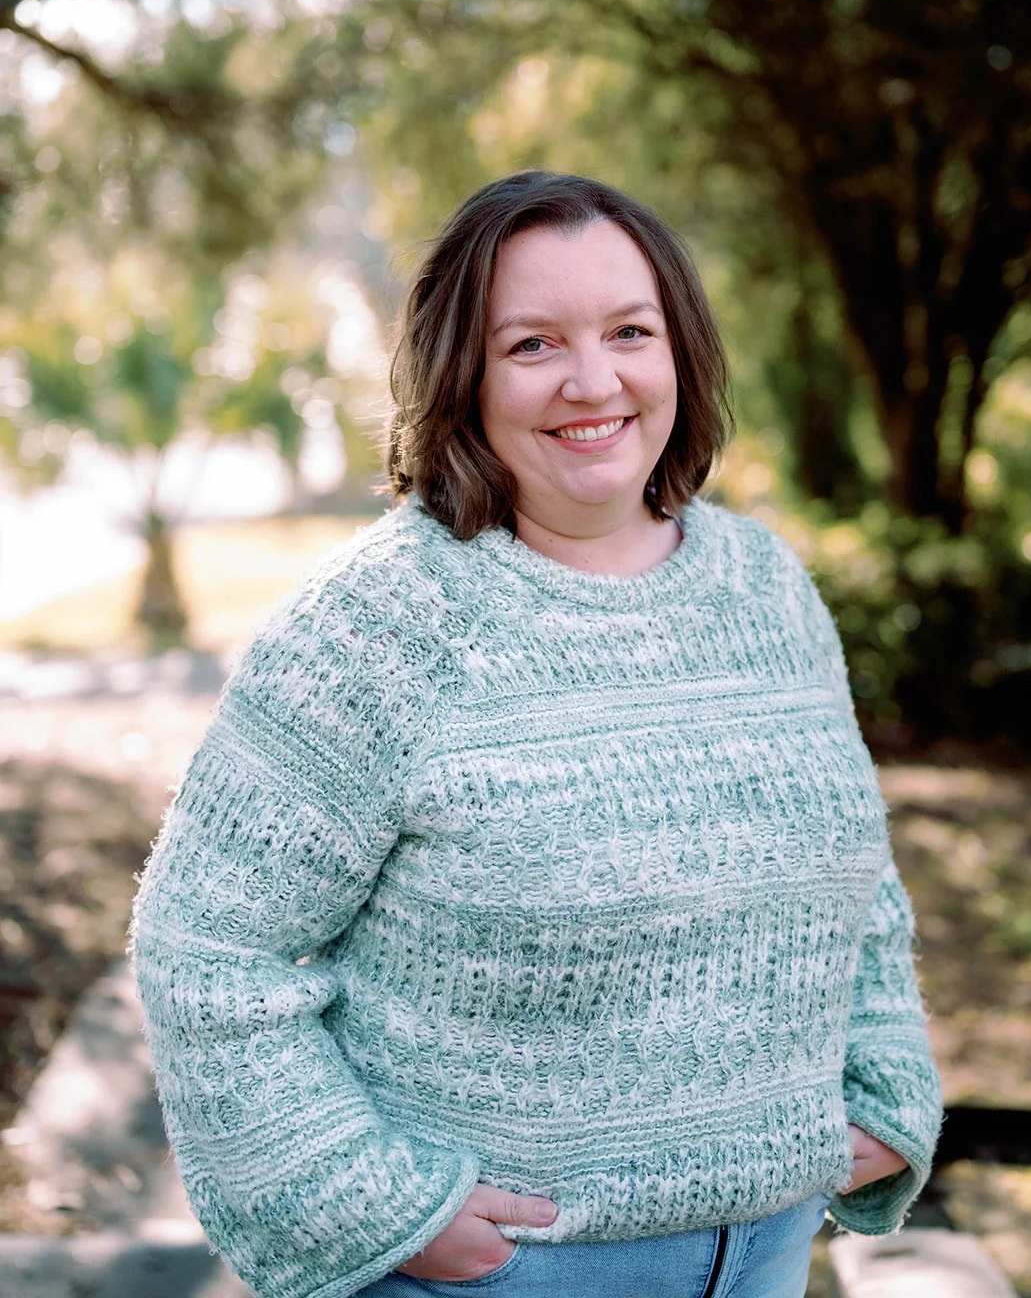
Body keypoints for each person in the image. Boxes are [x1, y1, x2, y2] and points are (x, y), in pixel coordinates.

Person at [130, 170, 943, 1298]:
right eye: (533, 345)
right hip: (507, 1273)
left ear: (682, 353)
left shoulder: (767, 587)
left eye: (629, 331)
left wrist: (889, 1074)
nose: (593, 379)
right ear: (462, 373)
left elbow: (855, 878)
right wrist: (373, 1207)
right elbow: (207, 942)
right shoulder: (375, 625)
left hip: (766, 1248)